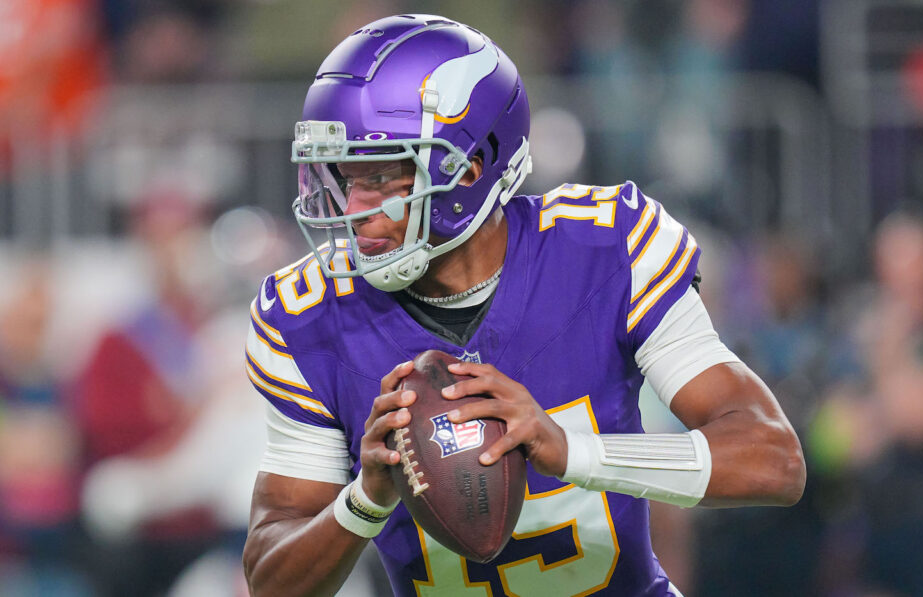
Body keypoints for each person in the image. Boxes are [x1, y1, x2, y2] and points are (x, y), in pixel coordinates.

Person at [241, 14, 805, 597]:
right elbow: (271, 581)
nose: (354, 207)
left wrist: (572, 452)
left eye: (381, 176)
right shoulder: (307, 316)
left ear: (467, 169)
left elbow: (773, 459)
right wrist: (363, 500)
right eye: (343, 175)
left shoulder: (605, 247)